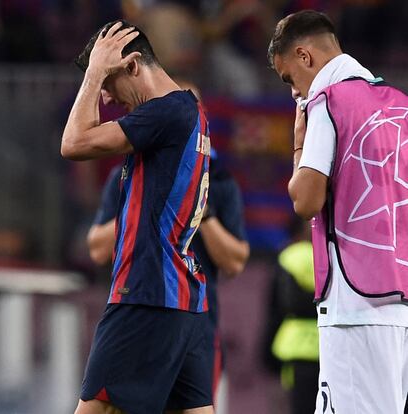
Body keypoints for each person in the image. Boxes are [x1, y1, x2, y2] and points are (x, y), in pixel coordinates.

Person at [61, 20, 213, 414]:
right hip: (183, 301)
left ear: (132, 65)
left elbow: (74, 143)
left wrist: (94, 73)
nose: (107, 98)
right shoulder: (189, 112)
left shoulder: (165, 112)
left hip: (146, 294)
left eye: (109, 84)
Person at [268, 10, 408, 413]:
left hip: (355, 302)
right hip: (399, 299)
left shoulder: (328, 102)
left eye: (289, 77)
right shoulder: (399, 105)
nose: (294, 92)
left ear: (304, 56)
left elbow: (305, 201)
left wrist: (299, 145)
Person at [87, 91, 250, 405]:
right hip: (146, 306)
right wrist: (148, 199)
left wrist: (201, 211)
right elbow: (96, 249)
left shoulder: (218, 181)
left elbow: (235, 262)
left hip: (197, 319)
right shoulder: (126, 173)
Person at [263, 218, 318, 414]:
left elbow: (279, 306)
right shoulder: (334, 255)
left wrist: (266, 350)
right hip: (331, 345)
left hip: (296, 348)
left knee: (300, 406)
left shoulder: (289, 256)